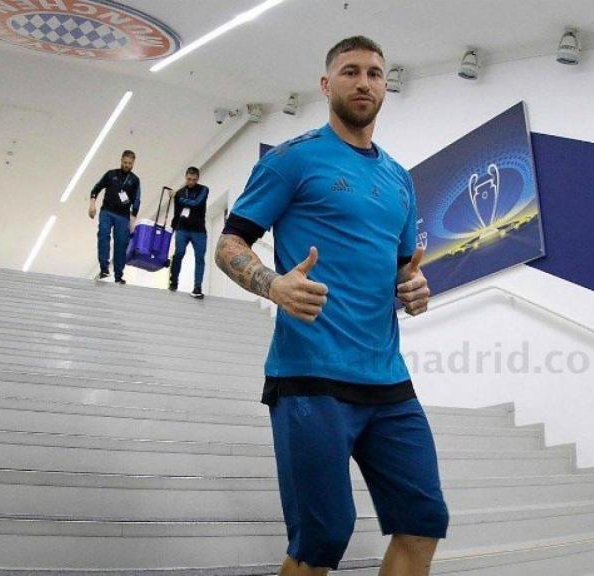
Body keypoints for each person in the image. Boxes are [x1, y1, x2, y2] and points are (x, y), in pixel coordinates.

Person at [214, 36, 447, 576]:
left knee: (424, 520)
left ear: (386, 85)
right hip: (309, 378)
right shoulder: (293, 160)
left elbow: (398, 270)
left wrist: (413, 288)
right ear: (326, 85)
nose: (363, 81)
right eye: (350, 72)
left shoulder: (399, 180)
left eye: (374, 73)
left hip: (388, 381)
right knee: (322, 538)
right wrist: (273, 285)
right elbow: (229, 244)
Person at [89, 150, 141, 284]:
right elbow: (96, 188)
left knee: (121, 244)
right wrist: (92, 205)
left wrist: (133, 221)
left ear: (133, 163)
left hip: (123, 216)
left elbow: (136, 200)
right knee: (103, 235)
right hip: (107, 211)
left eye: (130, 163)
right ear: (121, 160)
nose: (127, 165)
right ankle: (104, 268)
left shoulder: (135, 180)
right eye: (125, 162)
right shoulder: (110, 174)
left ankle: (118, 275)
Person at [168, 166, 210, 299]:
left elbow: (196, 203)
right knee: (179, 253)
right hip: (182, 228)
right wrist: (172, 229)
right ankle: (173, 281)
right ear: (185, 177)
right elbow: (176, 213)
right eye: (189, 179)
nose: (191, 182)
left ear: (198, 179)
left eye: (194, 179)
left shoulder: (203, 189)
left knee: (199, 258)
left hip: (199, 230)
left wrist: (178, 197)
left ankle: (197, 287)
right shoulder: (180, 192)